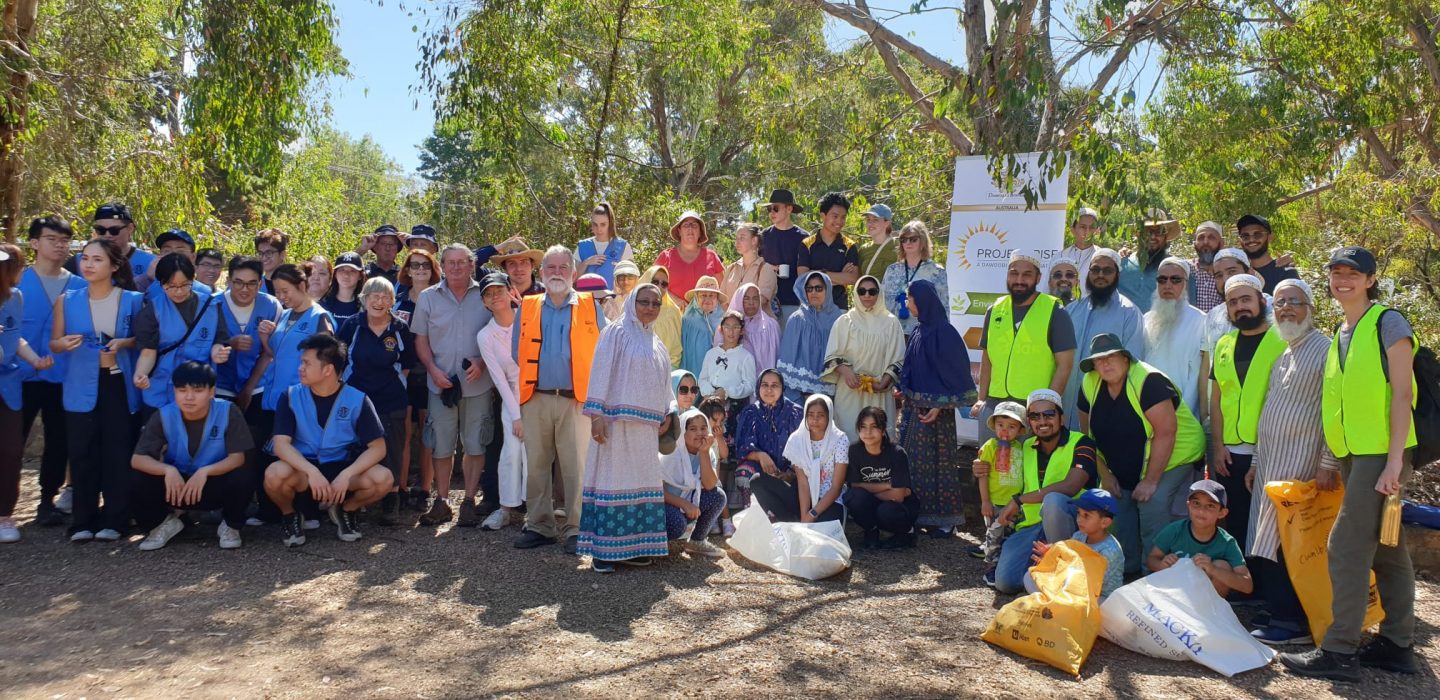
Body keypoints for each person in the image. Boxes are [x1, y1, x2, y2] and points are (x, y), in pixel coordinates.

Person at [1279, 246, 1419, 681]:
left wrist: (1395, 463)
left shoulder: (1387, 322)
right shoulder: (1342, 330)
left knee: (1346, 547)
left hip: (1382, 454)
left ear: (1371, 279)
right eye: (1336, 272)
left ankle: (1340, 651)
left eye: (1353, 273)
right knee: (1388, 549)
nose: (1343, 280)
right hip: (1353, 454)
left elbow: (1402, 394)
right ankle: (1397, 645)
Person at [1246, 278, 1334, 646]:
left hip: (1302, 466)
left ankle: (1294, 620)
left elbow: (1334, 411)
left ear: (1310, 308)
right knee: (1268, 538)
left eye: (1294, 302)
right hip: (1270, 466)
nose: (1285, 309)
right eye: (1279, 303)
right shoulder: (1285, 351)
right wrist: (1254, 462)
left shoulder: (1326, 350)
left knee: (1292, 543)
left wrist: (1328, 462)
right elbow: (1270, 410)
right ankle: (1279, 608)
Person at [1077, 332, 1205, 575]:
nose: (1105, 363)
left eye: (1111, 356)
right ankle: (1125, 571)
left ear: (1126, 359)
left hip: (1175, 454)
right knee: (1113, 504)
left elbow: (1166, 432)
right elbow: (1089, 437)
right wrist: (1105, 474)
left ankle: (1154, 576)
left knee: (1152, 502)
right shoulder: (1089, 383)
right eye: (1098, 359)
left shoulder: (1149, 380)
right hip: (1127, 462)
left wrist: (1150, 481)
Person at [513, 245, 607, 553]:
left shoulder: (590, 306)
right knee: (537, 466)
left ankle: (576, 529)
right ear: (541, 274)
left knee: (575, 467)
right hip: (536, 397)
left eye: (563, 267)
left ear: (574, 273)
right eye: (550, 268)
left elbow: (602, 353)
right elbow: (518, 351)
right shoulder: (527, 307)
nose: (556, 273)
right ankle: (540, 525)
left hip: (576, 400)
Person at [50, 239, 144, 542]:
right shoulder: (67, 299)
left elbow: (143, 341)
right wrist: (62, 344)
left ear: (114, 266)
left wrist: (124, 343)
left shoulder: (132, 300)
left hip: (118, 382)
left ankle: (116, 519)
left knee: (117, 452)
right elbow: (54, 342)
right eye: (85, 258)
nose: (88, 265)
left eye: (97, 260)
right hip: (80, 384)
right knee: (82, 452)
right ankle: (82, 520)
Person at [577, 283, 671, 571]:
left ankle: (633, 548)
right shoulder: (615, 333)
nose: (650, 308)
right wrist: (596, 415)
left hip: (644, 430)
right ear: (632, 302)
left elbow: (665, 381)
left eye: (656, 304)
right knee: (613, 482)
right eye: (645, 302)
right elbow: (601, 371)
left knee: (640, 485)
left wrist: (666, 412)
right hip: (616, 424)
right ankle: (604, 552)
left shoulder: (656, 342)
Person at [264, 334, 392, 547]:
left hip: (341, 470)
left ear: (328, 370)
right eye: (301, 362)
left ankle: (346, 510)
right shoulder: (290, 396)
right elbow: (281, 445)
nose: (300, 368)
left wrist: (347, 474)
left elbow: (378, 448)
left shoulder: (357, 399)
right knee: (274, 474)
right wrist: (311, 472)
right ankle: (290, 516)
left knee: (383, 478)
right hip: (304, 472)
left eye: (306, 363)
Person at [986, 389, 1101, 593]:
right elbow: (1006, 476)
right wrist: (982, 468)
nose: (1042, 421)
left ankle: (1064, 571)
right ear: (1029, 422)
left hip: (1072, 524)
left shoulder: (1082, 442)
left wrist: (1019, 500)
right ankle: (1041, 572)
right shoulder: (1027, 446)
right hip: (1032, 525)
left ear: (1061, 417)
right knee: (1005, 583)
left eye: (1049, 414)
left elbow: (1071, 486)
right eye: (1034, 416)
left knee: (1054, 500)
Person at [413, 244, 494, 527]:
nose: (457, 267)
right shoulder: (427, 298)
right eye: (451, 262)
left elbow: (498, 332)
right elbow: (420, 340)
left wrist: (482, 362)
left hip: (477, 384)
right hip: (440, 384)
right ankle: (443, 502)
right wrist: (432, 370)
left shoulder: (486, 295)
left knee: (475, 444)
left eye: (463, 262)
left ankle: (469, 501)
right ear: (443, 266)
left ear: (472, 265)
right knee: (441, 446)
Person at [130, 362, 252, 551]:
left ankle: (230, 525)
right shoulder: (164, 415)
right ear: (174, 392)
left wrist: (205, 472)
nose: (188, 397)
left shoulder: (228, 411)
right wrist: (168, 470)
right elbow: (137, 459)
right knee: (137, 476)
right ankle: (162, 524)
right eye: (181, 390)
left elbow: (238, 458)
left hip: (212, 484)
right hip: (178, 486)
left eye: (197, 391)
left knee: (243, 473)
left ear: (211, 392)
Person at [18, 216, 86, 526]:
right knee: (10, 441)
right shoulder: (15, 281)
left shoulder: (79, 286)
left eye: (64, 240)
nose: (60, 245)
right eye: (52, 239)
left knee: (59, 440)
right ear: (34, 243)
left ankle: (47, 501)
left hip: (62, 377)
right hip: (18, 377)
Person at [1208, 273, 1284, 553]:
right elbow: (1216, 400)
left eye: (1245, 300)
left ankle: (1268, 588)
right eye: (1232, 302)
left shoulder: (1282, 341)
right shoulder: (1223, 344)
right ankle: (1244, 584)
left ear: (1261, 301)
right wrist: (1217, 446)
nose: (1240, 307)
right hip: (1230, 453)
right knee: (1236, 521)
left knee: (1267, 523)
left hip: (1270, 450)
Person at [971, 251, 1076, 444]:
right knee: (990, 465)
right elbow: (987, 358)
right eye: (1013, 273)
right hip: (995, 406)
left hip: (1033, 410)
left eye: (1027, 274)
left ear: (1038, 278)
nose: (1019, 279)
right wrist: (981, 398)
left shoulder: (1055, 310)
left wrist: (1046, 408)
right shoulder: (995, 309)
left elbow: (1065, 365)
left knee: (1027, 470)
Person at [900, 279, 976, 539]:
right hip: (915, 413)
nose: (908, 303)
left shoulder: (945, 332)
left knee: (940, 465)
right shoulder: (920, 331)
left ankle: (945, 520)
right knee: (914, 466)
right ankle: (920, 515)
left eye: (910, 298)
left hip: (938, 417)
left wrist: (939, 406)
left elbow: (958, 378)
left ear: (922, 300)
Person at [337, 277, 416, 524]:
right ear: (364, 298)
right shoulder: (353, 325)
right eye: (374, 296)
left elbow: (407, 364)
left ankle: (390, 501)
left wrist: (393, 385)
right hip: (356, 399)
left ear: (392, 301)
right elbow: (338, 360)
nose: (379, 301)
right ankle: (355, 503)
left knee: (392, 448)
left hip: (391, 399)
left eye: (385, 297)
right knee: (357, 449)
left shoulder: (400, 328)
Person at [0, 244, 55, 542]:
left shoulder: (15, 298)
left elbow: (13, 335)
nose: (22, 272)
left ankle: (4, 515)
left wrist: (34, 359)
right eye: (19, 266)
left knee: (10, 451)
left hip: (7, 386)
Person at [132, 254, 229, 415]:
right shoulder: (152, 310)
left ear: (193, 279)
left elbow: (219, 339)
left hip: (198, 389)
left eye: (185, 285)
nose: (178, 292)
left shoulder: (211, 306)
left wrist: (218, 351)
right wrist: (140, 373)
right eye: (171, 286)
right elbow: (148, 350)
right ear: (161, 283)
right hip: (161, 389)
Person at [1063, 247, 1145, 429]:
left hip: (1105, 410)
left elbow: (1132, 366)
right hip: (1065, 407)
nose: (1100, 275)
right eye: (1095, 269)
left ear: (1117, 274)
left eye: (1107, 270)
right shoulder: (1072, 310)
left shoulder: (1129, 313)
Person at [822, 275, 904, 441]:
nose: (867, 295)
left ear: (879, 294)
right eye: (862, 291)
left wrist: (884, 382)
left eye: (872, 291)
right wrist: (846, 372)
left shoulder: (891, 322)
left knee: (878, 438)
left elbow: (899, 358)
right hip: (850, 390)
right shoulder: (845, 321)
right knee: (848, 437)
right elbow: (831, 356)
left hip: (879, 391)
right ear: (856, 293)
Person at [476, 272, 526, 531]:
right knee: (511, 451)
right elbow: (498, 378)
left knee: (534, 454)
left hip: (538, 392)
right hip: (511, 395)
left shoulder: (528, 318)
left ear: (510, 291)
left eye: (499, 290)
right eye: (488, 293)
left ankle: (534, 512)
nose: (495, 296)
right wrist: (516, 415)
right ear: (484, 301)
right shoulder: (485, 336)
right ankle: (505, 508)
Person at [751, 394, 848, 523]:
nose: (815, 419)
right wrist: (805, 517)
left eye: (821, 415)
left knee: (823, 536)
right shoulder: (797, 439)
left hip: (829, 499)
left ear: (829, 416)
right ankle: (793, 523)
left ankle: (805, 522)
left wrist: (813, 513)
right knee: (758, 480)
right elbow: (803, 483)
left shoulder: (839, 439)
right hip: (804, 497)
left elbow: (836, 487)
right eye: (811, 415)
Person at [1148, 480, 1254, 597]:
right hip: (1174, 594)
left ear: (1222, 513)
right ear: (1188, 505)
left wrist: (1213, 569)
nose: (1201, 511)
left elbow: (1247, 586)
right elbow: (1152, 559)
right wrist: (1162, 565)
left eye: (1210, 506)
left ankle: (1209, 613)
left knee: (1222, 565)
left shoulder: (1227, 542)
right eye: (1196, 503)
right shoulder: (1175, 530)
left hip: (1205, 602)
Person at [394, 247, 440, 506]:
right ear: (408, 270)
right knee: (403, 431)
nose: (420, 269)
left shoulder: (438, 298)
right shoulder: (398, 300)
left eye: (425, 265)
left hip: (431, 371)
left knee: (427, 431)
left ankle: (424, 489)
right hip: (403, 373)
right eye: (415, 265)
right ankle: (400, 489)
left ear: (432, 270)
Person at [1025, 488, 1124, 600]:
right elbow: (1069, 563)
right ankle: (1058, 604)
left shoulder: (1110, 551)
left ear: (1104, 522)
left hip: (1099, 597)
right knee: (1029, 576)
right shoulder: (1079, 536)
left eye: (1086, 516)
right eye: (1078, 513)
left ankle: (1058, 605)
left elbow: (1090, 583)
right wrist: (1051, 557)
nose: (1080, 519)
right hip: (1076, 587)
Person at [842, 406, 918, 549]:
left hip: (899, 508)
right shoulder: (854, 451)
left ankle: (907, 533)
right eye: (863, 427)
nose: (868, 432)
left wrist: (867, 491)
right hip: (881, 500)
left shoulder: (897, 453)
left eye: (874, 427)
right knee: (853, 498)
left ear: (883, 430)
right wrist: (888, 485)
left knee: (885, 510)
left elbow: (899, 496)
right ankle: (871, 530)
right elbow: (854, 487)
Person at [1143, 257, 1209, 419]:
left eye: (1175, 280)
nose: (1168, 285)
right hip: (1145, 410)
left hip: (1183, 414)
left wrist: (1182, 415)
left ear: (1185, 284)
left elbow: (1199, 376)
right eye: (1162, 279)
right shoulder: (1146, 319)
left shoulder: (1201, 321)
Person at [660, 407, 727, 558]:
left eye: (703, 428)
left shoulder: (708, 452)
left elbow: (710, 485)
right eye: (693, 429)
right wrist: (684, 504)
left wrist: (703, 452)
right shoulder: (671, 454)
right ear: (683, 433)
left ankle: (697, 541)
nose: (700, 433)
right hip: (666, 505)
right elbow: (658, 492)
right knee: (677, 524)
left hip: (689, 504)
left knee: (718, 496)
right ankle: (653, 545)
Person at [733, 370, 803, 511]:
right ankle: (753, 516)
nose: (769, 390)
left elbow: (805, 449)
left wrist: (791, 473)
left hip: (793, 475)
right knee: (744, 471)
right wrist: (760, 455)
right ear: (758, 387)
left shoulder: (796, 413)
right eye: (765, 385)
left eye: (774, 385)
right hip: (762, 472)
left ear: (782, 388)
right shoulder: (751, 413)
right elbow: (741, 448)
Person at [974, 402, 1028, 577]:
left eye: (1011, 427)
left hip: (1014, 503)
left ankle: (1006, 564)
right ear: (994, 426)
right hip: (995, 502)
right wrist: (985, 501)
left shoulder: (1022, 449)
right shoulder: (990, 446)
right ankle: (991, 567)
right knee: (993, 536)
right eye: (1000, 425)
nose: (1005, 430)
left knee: (1010, 536)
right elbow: (982, 476)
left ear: (1020, 430)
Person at [777, 271, 843, 401]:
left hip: (829, 388)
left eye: (818, 288)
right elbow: (788, 356)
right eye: (809, 289)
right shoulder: (797, 319)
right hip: (798, 391)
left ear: (828, 290)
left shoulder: (839, 319)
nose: (813, 292)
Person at [880, 220, 947, 337]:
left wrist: (943, 337)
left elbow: (944, 307)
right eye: (904, 240)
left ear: (923, 241)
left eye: (913, 239)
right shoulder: (892, 270)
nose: (908, 243)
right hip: (893, 335)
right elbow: (882, 304)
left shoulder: (937, 271)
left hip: (924, 335)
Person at [69, 202, 155, 291]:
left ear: (130, 228)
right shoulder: (77, 262)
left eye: (114, 230)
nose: (107, 235)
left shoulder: (151, 263)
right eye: (101, 230)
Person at [797, 192, 860, 309]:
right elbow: (802, 278)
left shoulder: (849, 246)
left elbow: (852, 278)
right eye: (835, 216)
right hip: (811, 310)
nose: (839, 222)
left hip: (839, 309)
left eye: (843, 217)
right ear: (823, 215)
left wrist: (817, 274)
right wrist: (840, 277)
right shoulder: (807, 244)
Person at [758, 188, 810, 324]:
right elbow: (755, 264)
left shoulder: (804, 238)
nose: (771, 213)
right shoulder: (763, 237)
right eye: (769, 209)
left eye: (775, 208)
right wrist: (769, 268)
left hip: (794, 303)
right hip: (766, 303)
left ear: (789, 209)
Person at [653, 210, 724, 304]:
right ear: (679, 231)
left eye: (694, 225)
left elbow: (723, 288)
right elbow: (652, 285)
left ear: (700, 232)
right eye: (686, 225)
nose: (690, 229)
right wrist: (675, 300)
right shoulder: (665, 257)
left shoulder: (712, 257)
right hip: (670, 315)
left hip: (705, 317)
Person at [1118, 208, 1182, 313]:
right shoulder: (1122, 265)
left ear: (1166, 236)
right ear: (1139, 235)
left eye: (1159, 232)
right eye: (1147, 231)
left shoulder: (1176, 269)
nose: (1153, 237)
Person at [700, 310, 756, 422]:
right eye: (727, 327)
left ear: (742, 331)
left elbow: (750, 385)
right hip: (710, 404)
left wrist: (727, 392)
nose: (731, 331)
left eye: (736, 327)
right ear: (721, 329)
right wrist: (711, 393)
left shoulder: (746, 357)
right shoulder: (711, 354)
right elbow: (702, 378)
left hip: (734, 409)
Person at [1203, 247, 1254, 354]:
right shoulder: (1212, 315)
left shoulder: (1271, 307)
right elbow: (1208, 361)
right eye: (1219, 275)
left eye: (1231, 272)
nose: (1226, 280)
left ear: (1249, 272)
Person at [138, 229, 211, 300]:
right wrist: (148, 279)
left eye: (180, 251)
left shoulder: (204, 292)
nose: (173, 255)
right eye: (167, 251)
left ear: (193, 257)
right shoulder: (145, 286)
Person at [720, 223, 778, 312]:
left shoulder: (766, 269)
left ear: (754, 240)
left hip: (756, 324)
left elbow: (762, 301)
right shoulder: (730, 268)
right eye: (736, 238)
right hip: (732, 324)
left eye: (742, 238)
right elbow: (722, 299)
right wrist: (732, 319)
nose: (737, 242)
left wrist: (738, 319)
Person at [723, 283, 779, 374]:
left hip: (765, 383)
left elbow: (777, 357)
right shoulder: (728, 326)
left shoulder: (771, 326)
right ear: (739, 299)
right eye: (746, 298)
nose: (751, 303)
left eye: (755, 298)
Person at [1236, 214, 1298, 293]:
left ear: (1270, 237)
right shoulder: (1240, 272)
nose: (1251, 239)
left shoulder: (1284, 270)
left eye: (1257, 235)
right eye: (1245, 236)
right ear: (1240, 240)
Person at [577, 202, 633, 287]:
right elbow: (571, 278)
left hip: (613, 299)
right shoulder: (582, 246)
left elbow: (631, 281)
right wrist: (586, 263)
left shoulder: (623, 246)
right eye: (595, 224)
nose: (599, 229)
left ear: (610, 223)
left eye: (603, 224)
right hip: (586, 299)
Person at [638, 265, 683, 368]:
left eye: (664, 284)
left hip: (665, 370)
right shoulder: (631, 308)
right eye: (655, 282)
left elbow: (676, 350)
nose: (659, 287)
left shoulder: (673, 312)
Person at [679, 275, 725, 376]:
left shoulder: (724, 321)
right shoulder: (688, 320)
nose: (707, 299)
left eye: (712, 295)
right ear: (696, 297)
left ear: (717, 299)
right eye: (703, 295)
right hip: (694, 369)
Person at [1062, 207, 1101, 294]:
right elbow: (1048, 289)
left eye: (1091, 227)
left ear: (1096, 231)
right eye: (1082, 227)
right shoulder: (1061, 257)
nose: (1087, 231)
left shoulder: (1102, 257)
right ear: (1073, 230)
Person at [1189, 221, 1225, 311]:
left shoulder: (1229, 272)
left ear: (1221, 243)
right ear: (1194, 244)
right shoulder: (1186, 270)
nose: (1205, 242)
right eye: (1201, 238)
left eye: (1211, 238)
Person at [857, 203, 898, 279]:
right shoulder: (863, 250)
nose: (870, 223)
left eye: (875, 220)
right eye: (868, 219)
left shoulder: (899, 246)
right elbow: (858, 279)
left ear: (887, 223)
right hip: (869, 291)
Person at [321, 252, 364, 321]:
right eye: (342, 270)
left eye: (352, 271)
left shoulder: (366, 305)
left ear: (360, 276)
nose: (346, 275)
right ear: (335, 274)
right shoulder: (323, 303)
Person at [253, 227, 289, 296]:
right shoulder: (254, 286)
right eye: (260, 253)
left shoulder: (295, 284)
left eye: (269, 253)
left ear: (282, 254)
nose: (264, 257)